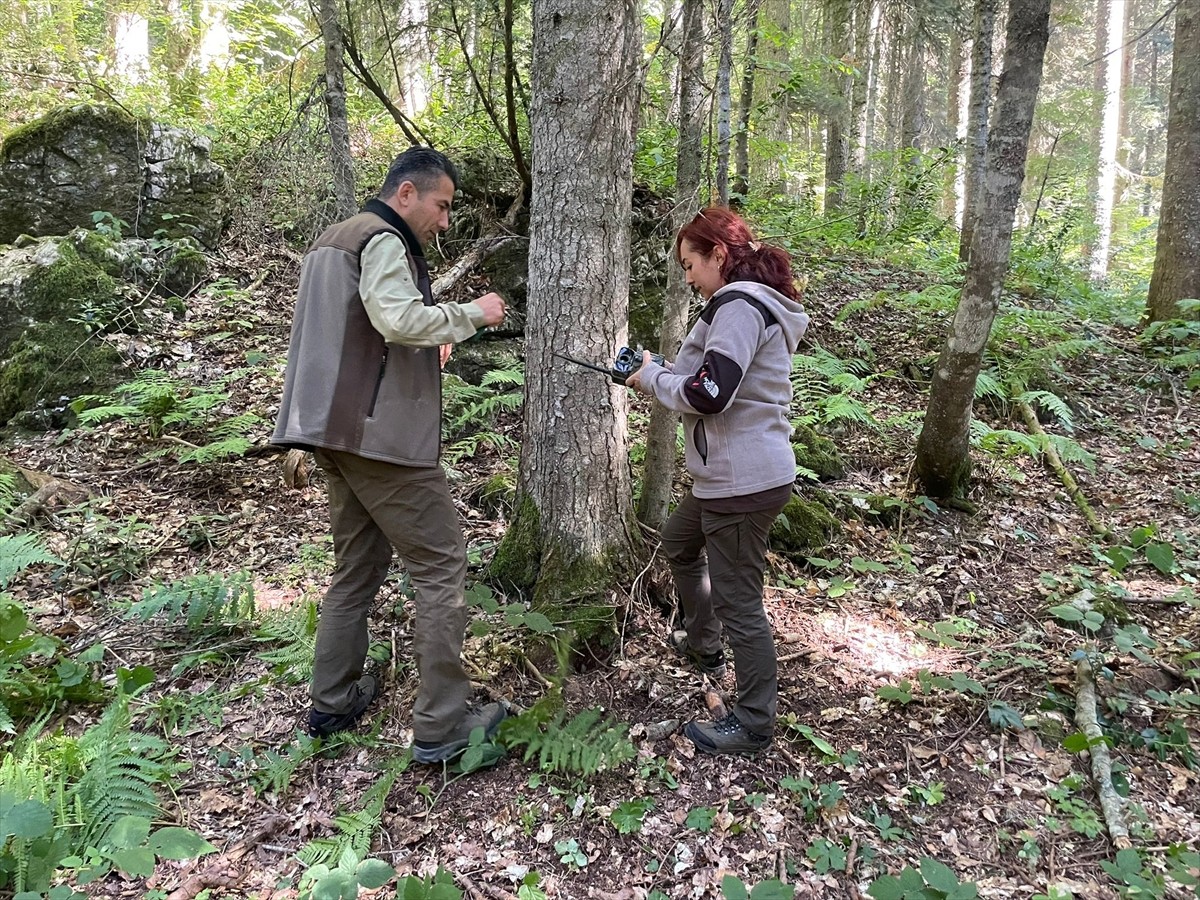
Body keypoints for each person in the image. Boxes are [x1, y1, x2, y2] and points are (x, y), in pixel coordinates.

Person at [272, 146, 508, 762]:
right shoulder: (383, 239)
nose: (446, 220)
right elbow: (397, 317)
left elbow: (356, 331)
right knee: (440, 565)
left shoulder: (334, 238)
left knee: (357, 566)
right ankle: (444, 727)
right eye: (442, 204)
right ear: (406, 193)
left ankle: (333, 698)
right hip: (383, 442)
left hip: (333, 432)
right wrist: (470, 316)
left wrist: (419, 348)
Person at [626, 207, 809, 756]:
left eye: (690, 264)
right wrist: (660, 369)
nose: (687, 277)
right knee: (681, 543)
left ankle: (753, 722)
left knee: (740, 602)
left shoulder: (738, 305)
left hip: (741, 482)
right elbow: (711, 378)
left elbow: (710, 392)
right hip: (726, 478)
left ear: (719, 256)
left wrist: (652, 377)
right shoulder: (741, 306)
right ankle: (704, 645)